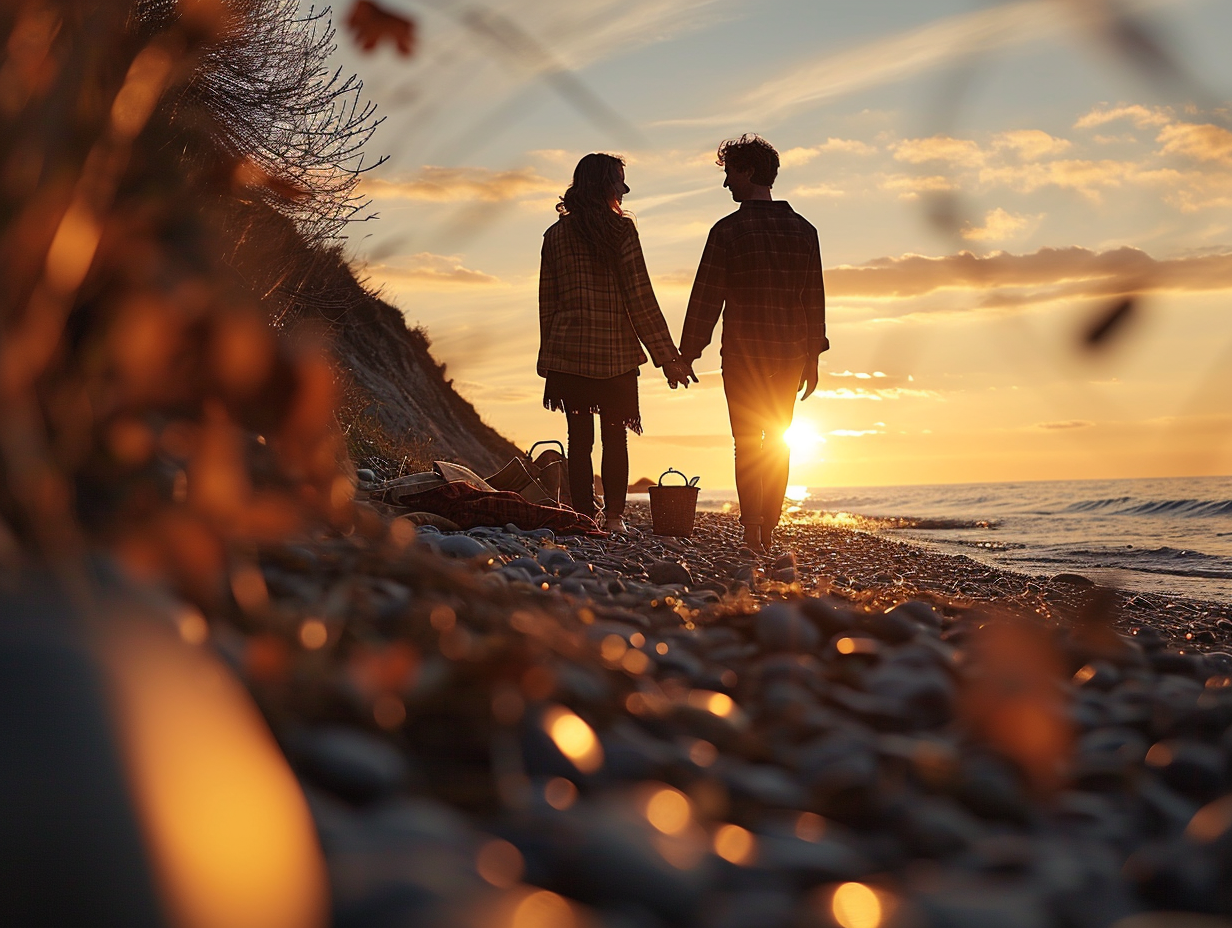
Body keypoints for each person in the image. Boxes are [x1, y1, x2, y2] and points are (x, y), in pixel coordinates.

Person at [678, 134, 828, 554]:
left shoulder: (728, 230)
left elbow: (706, 297)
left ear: (746, 171)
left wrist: (687, 353)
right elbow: (813, 301)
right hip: (790, 355)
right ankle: (768, 531)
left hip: (743, 353)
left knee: (747, 443)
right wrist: (813, 359)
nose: (727, 184)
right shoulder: (804, 231)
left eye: (729, 174)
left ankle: (752, 530)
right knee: (778, 442)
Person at [538, 152, 694, 533]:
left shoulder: (555, 235)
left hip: (569, 352)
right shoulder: (621, 232)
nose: (624, 190)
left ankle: (580, 517)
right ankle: (614, 518)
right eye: (619, 182)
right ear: (605, 186)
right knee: (615, 437)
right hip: (615, 353)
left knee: (579, 440)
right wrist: (668, 357)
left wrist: (548, 356)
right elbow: (640, 297)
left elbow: (548, 301)